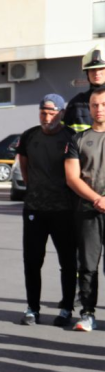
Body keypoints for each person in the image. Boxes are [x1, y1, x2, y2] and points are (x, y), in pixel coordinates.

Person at [16, 94, 78, 326]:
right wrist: (34, 187)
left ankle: (66, 309)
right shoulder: (30, 135)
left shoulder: (71, 137)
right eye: (43, 112)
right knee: (32, 261)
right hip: (35, 209)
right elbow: (24, 164)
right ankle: (32, 308)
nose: (47, 116)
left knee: (68, 262)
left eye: (52, 112)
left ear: (61, 112)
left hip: (65, 210)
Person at [63, 85, 105, 332]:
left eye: (103, 104)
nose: (99, 109)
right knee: (88, 265)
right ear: (88, 108)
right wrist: (98, 199)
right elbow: (72, 178)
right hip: (88, 211)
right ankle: (88, 313)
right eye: (94, 105)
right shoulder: (78, 139)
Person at [63, 45, 105, 133]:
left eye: (101, 68)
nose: (97, 73)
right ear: (87, 73)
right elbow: (63, 136)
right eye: (92, 70)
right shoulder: (76, 104)